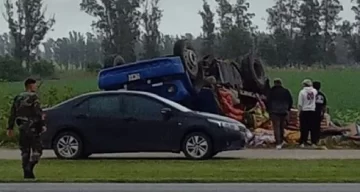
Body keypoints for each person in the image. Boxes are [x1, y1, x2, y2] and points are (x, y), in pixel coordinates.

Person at [7, 78, 46, 179]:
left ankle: (27, 174)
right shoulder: (34, 97)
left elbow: (13, 113)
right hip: (32, 127)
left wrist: (10, 128)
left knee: (25, 151)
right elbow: (38, 112)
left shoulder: (18, 97)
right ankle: (30, 166)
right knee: (38, 150)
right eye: (34, 85)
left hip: (22, 127)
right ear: (30, 86)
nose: (36, 87)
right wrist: (42, 125)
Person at [266, 78, 293, 149]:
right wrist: (288, 109)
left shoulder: (271, 91)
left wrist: (268, 110)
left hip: (274, 111)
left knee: (276, 127)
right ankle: (281, 140)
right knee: (282, 126)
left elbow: (267, 101)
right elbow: (290, 101)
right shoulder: (286, 91)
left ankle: (278, 143)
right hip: (283, 111)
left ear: (275, 83)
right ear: (281, 83)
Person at [297, 79, 318, 148]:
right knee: (313, 128)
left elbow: (300, 104)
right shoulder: (314, 91)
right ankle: (313, 142)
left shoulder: (302, 92)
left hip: (304, 111)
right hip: (312, 110)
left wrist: (298, 112)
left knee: (304, 128)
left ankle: (303, 142)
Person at [313, 81, 327, 145]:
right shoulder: (322, 95)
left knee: (310, 126)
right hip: (318, 113)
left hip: (311, 112)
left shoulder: (311, 94)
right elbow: (324, 106)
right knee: (317, 127)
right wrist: (323, 114)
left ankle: (311, 140)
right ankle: (316, 140)